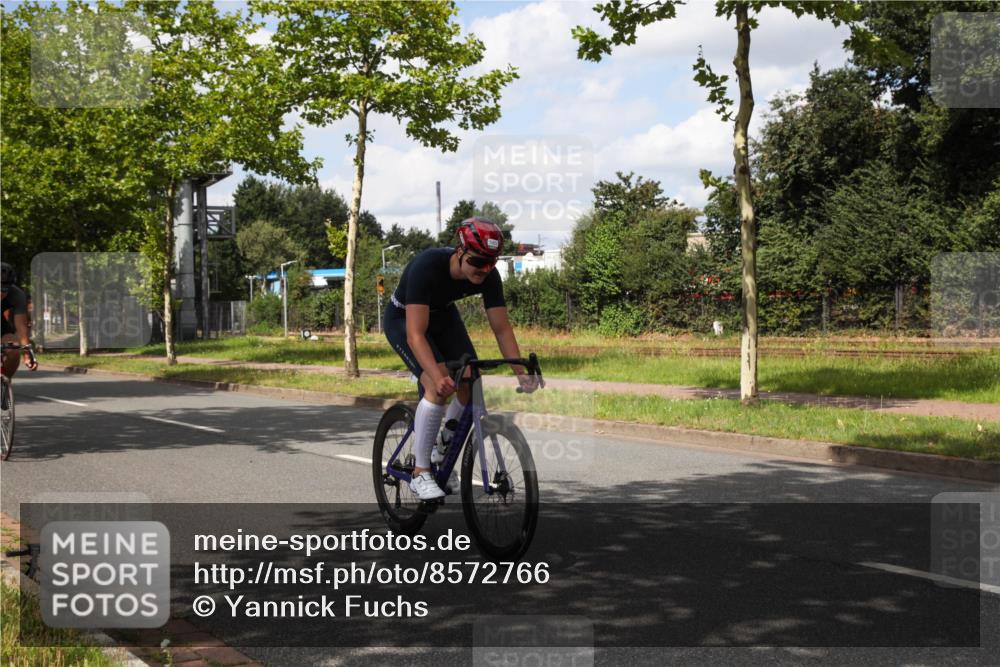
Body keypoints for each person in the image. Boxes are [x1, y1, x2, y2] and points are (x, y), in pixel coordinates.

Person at [384, 218, 537, 501]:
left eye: (492, 263)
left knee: (471, 381)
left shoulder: (488, 275)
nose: (484, 269)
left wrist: (520, 372)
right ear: (460, 251)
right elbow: (415, 335)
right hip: (404, 319)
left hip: (442, 316)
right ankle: (420, 472)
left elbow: (502, 329)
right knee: (436, 384)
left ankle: (442, 447)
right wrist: (437, 375)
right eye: (478, 261)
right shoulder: (426, 266)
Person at [1, 262, 38, 378]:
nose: (1, 293)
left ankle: (5, 383)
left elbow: (21, 327)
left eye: (5, 289)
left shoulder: (18, 295)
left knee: (14, 349)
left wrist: (27, 354)